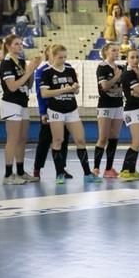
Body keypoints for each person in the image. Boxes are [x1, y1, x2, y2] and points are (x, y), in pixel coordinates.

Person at [40, 44, 103, 184]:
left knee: (80, 140)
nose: (62, 60)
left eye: (64, 57)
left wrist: (74, 89)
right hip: (55, 110)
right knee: (58, 140)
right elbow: (44, 93)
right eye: (59, 57)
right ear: (53, 56)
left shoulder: (70, 70)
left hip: (71, 109)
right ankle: (59, 173)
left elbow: (76, 91)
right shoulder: (47, 72)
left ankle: (87, 174)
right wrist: (64, 90)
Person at [0, 34, 41, 184]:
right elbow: (12, 86)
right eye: (16, 44)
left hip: (23, 102)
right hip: (11, 103)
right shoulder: (6, 63)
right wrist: (29, 71)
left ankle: (21, 171)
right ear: (9, 46)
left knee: (22, 139)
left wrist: (33, 70)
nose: (20, 46)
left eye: (21, 44)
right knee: (13, 139)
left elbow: (27, 85)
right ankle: (8, 175)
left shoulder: (21, 62)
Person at [32, 44, 72, 181]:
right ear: (48, 54)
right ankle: (37, 169)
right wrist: (43, 112)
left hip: (64, 111)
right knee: (44, 141)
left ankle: (61, 169)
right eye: (51, 52)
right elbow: (40, 93)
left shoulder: (66, 68)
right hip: (49, 111)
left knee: (63, 140)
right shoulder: (42, 70)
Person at [93, 44, 125, 179]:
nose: (116, 53)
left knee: (114, 137)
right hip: (105, 105)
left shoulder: (121, 67)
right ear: (106, 52)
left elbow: (122, 88)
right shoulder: (102, 67)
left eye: (118, 50)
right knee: (103, 137)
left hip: (118, 105)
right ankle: (95, 168)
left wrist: (117, 87)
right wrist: (116, 78)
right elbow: (105, 86)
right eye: (113, 50)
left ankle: (108, 168)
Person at [118, 49, 139, 181]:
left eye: (137, 57)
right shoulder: (129, 73)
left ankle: (130, 170)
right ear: (127, 59)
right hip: (133, 109)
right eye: (132, 57)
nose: (135, 60)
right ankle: (125, 171)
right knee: (138, 141)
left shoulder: (134, 72)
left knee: (138, 141)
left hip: (138, 108)